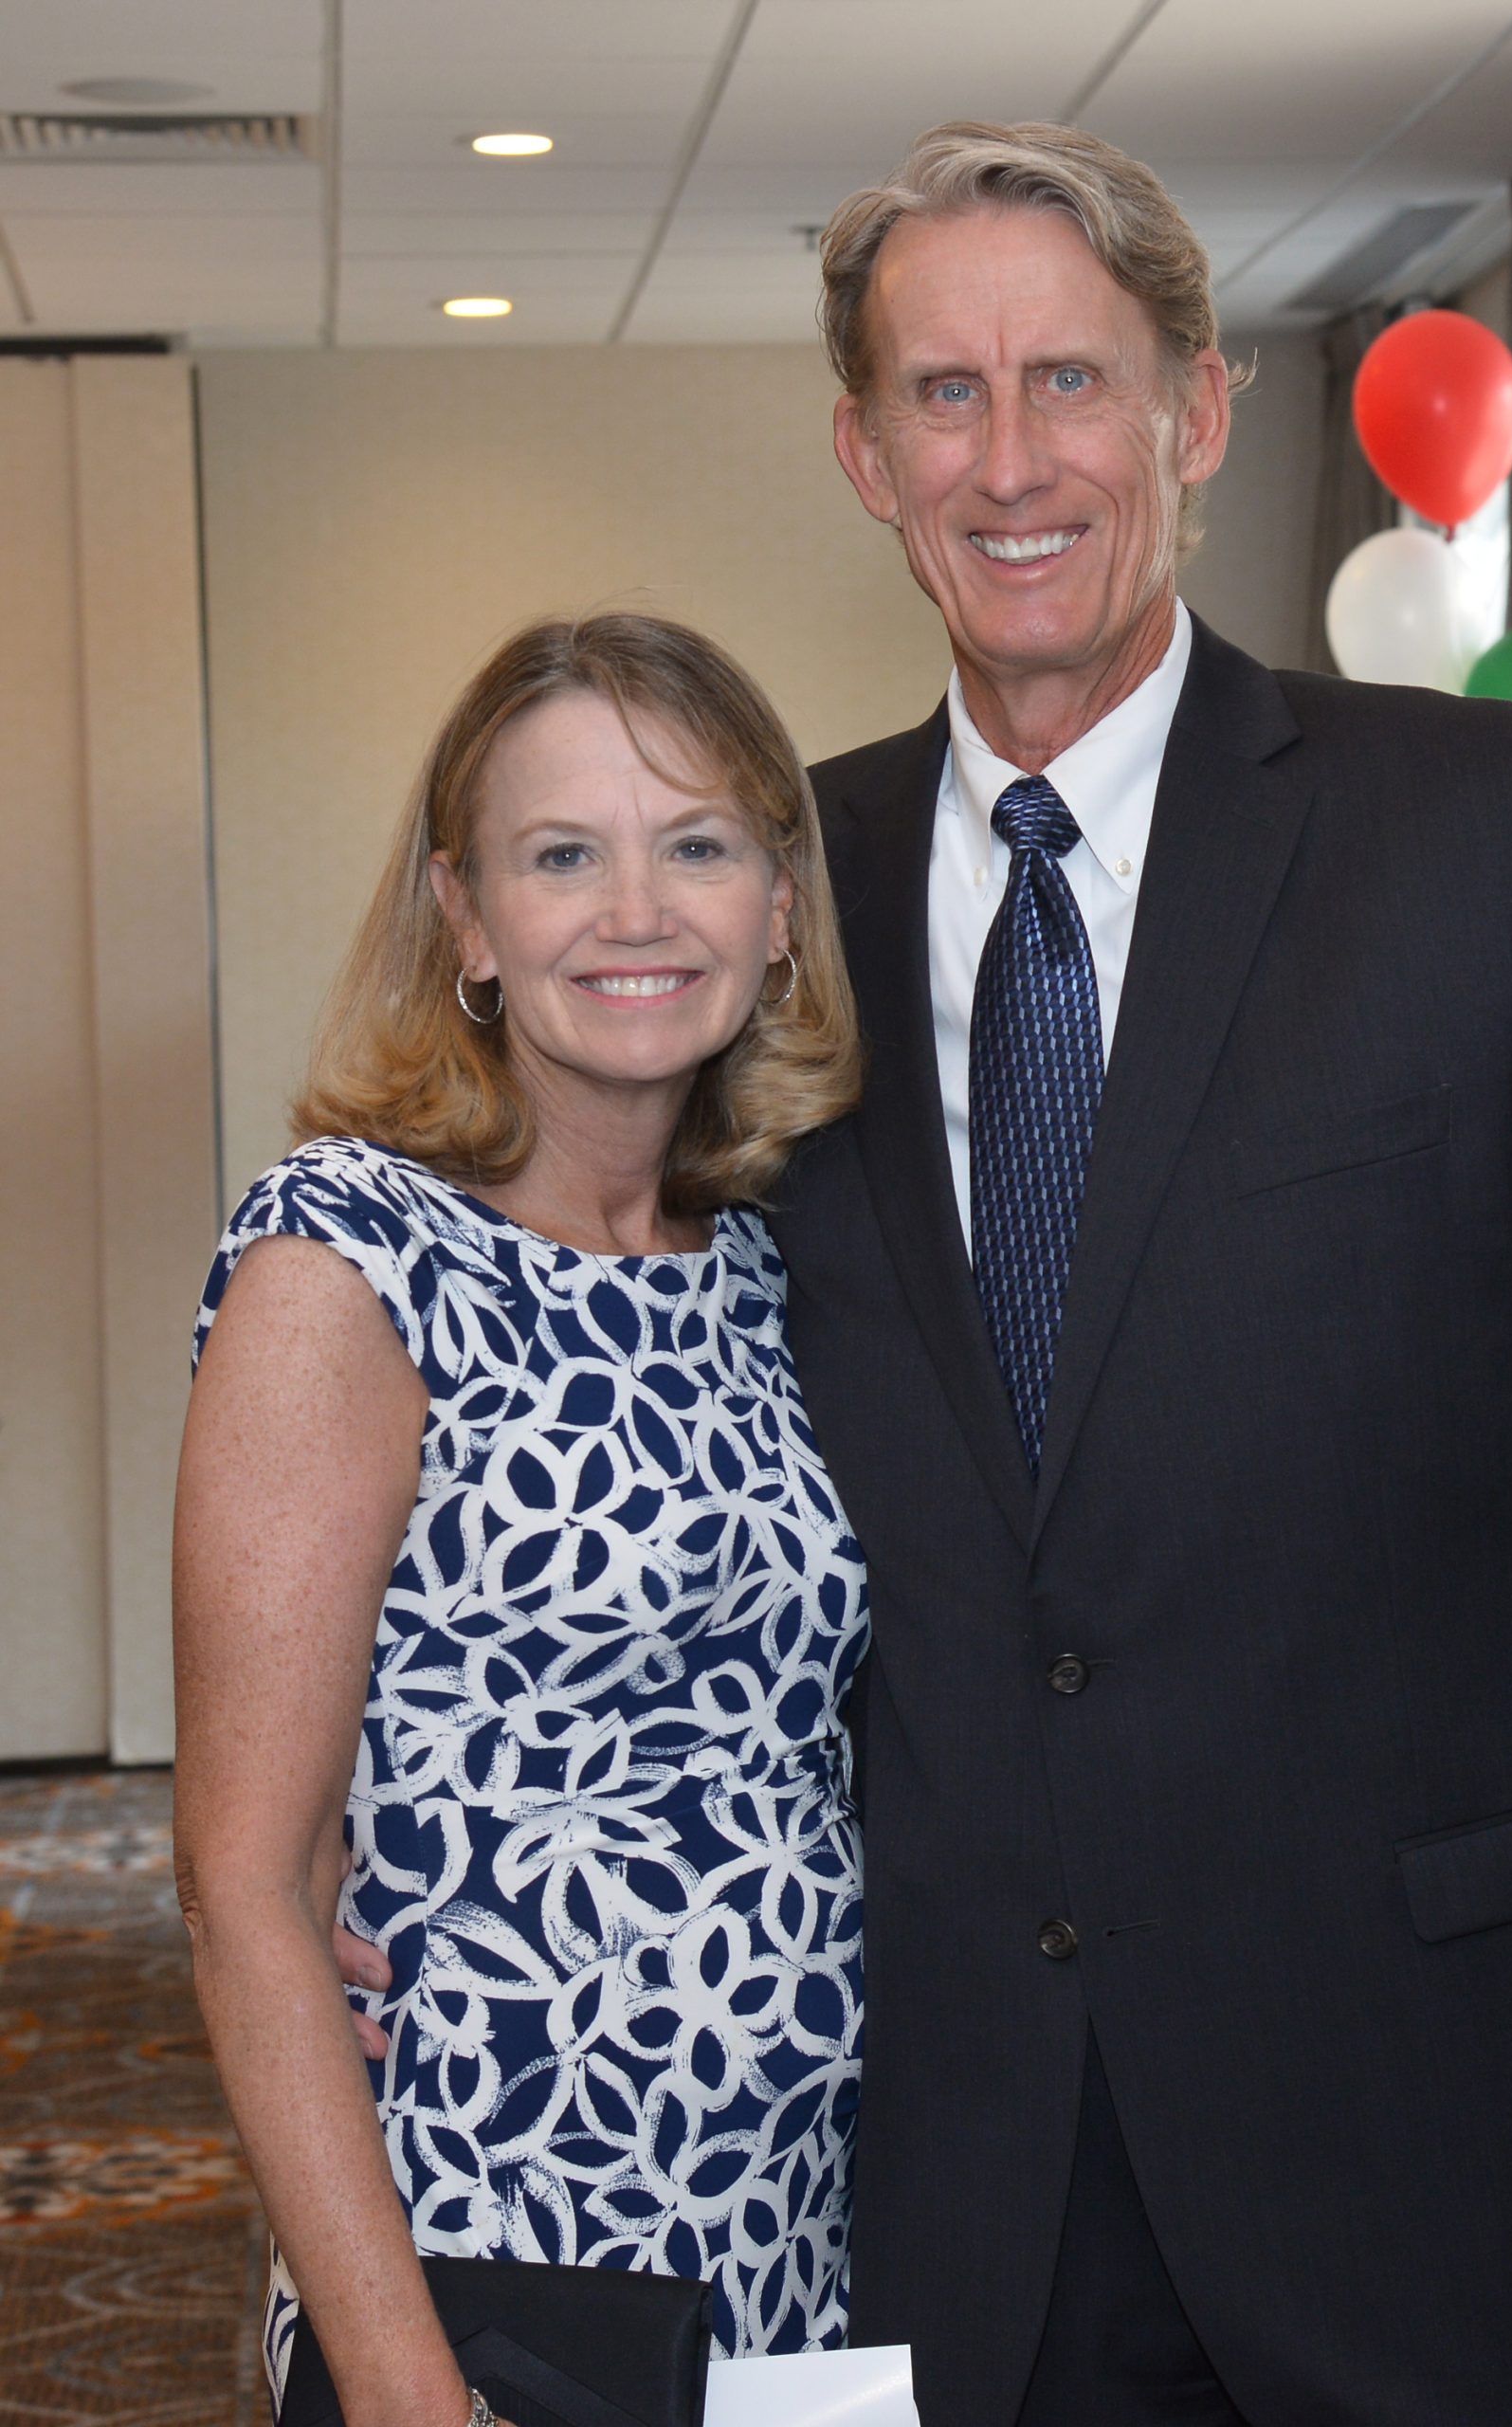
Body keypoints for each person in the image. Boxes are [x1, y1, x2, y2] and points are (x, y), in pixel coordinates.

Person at [334, 123, 1512, 2427]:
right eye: (941, 395)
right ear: (865, 454)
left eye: (1069, 378)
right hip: (958, 2168)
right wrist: (387, 1834)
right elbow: (576, 1351)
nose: (1010, 457)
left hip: (1448, 2136)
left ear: (1198, 410)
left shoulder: (1496, 839)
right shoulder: (764, 901)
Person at [173, 612, 868, 2427]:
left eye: (696, 844)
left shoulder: (773, 1268)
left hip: (788, 2251)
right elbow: (245, 1892)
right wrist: (411, 2397)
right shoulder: (348, 1255)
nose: (636, 913)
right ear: (466, 919)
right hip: (488, 2249)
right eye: (562, 856)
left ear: (781, 908)